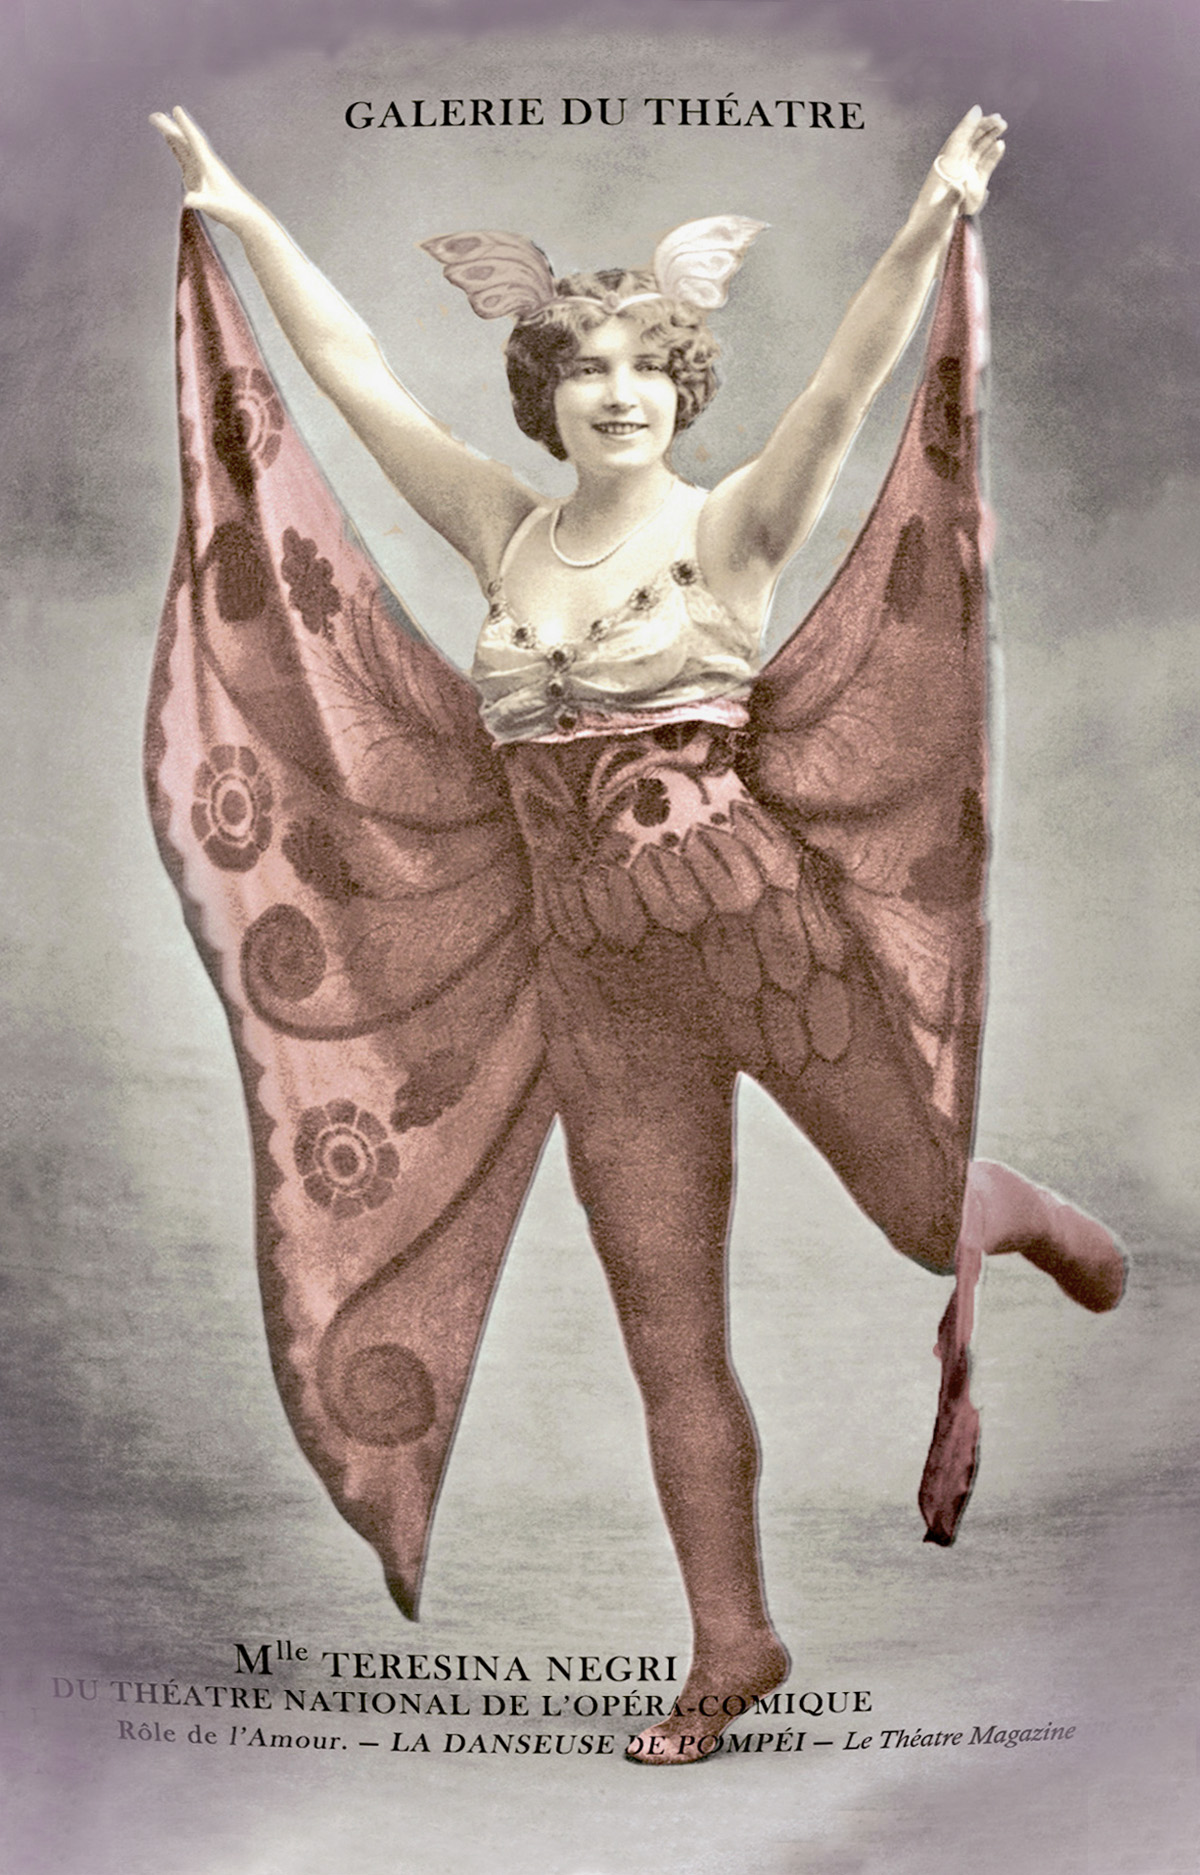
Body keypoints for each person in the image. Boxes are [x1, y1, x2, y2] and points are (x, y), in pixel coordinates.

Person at [151, 107, 1125, 1764]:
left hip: (760, 934)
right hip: (594, 990)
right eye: (585, 368)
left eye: (646, 367)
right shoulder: (501, 531)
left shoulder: (731, 529)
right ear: (544, 395)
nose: (618, 392)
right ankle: (732, 1641)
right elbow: (361, 380)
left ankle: (1003, 1206)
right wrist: (241, 213)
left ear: (684, 385)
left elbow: (850, 383)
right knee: (668, 1331)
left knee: (915, 1218)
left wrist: (935, 210)